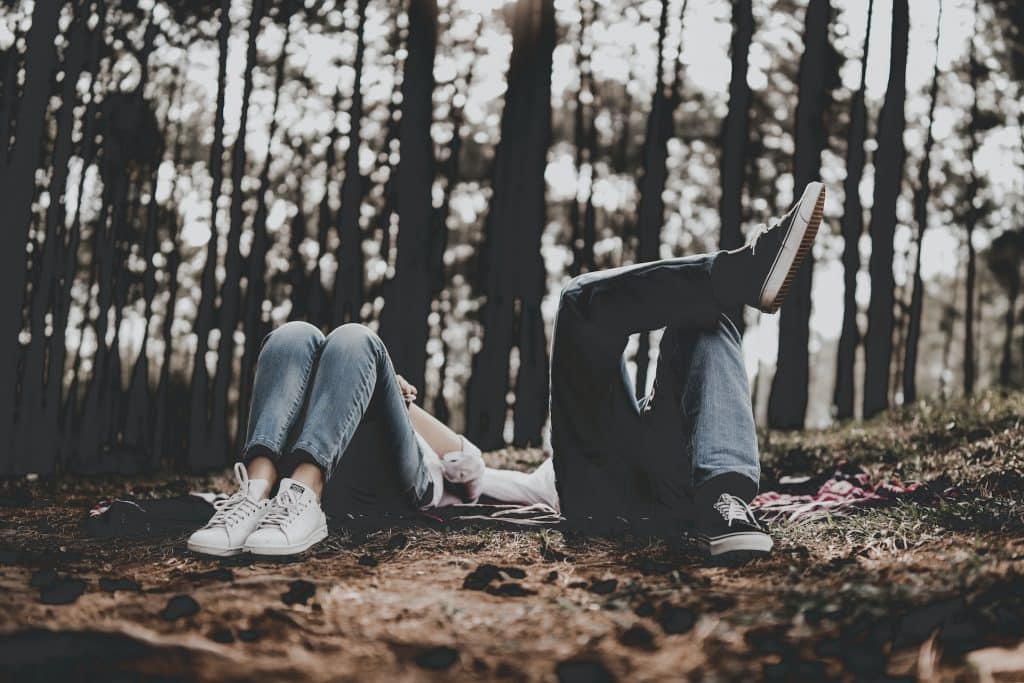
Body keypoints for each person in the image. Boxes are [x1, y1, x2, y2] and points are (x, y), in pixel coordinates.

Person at [187, 181, 826, 564]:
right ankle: (738, 275)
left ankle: (726, 499)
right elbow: (471, 473)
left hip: (675, 475)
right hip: (600, 492)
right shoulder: (525, 482)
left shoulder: (529, 470)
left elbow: (464, 465)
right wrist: (407, 415)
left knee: (704, 316)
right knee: (583, 301)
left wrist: (404, 408)